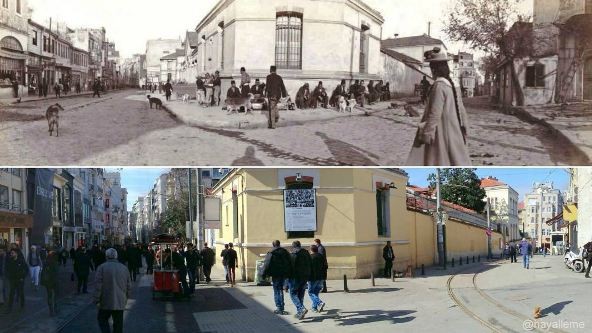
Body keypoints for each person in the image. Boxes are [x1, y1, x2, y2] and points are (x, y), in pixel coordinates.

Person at [406, 47, 470, 166]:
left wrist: (427, 133)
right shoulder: (453, 85)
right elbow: (461, 109)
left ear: (435, 69)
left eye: (432, 68)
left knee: (438, 160)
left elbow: (434, 113)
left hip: (441, 132)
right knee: (455, 160)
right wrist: (464, 127)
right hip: (454, 129)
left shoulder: (439, 85)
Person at [94, 248, 131, 333]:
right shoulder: (124, 268)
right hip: (120, 300)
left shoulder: (102, 267)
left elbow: (98, 286)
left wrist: (96, 299)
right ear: (116, 256)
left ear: (106, 256)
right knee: (118, 323)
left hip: (105, 300)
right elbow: (129, 285)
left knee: (102, 319)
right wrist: (127, 297)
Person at [262, 240, 292, 315]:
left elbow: (266, 264)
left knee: (277, 290)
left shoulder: (271, 253)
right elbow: (290, 262)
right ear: (279, 244)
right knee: (281, 290)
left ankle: (279, 307)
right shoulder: (285, 252)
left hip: (275, 274)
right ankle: (281, 307)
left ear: (273, 245)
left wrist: (263, 274)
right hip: (284, 274)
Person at [289, 240, 312, 320]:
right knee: (301, 294)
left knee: (293, 293)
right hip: (305, 276)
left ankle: (301, 308)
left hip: (295, 277)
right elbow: (310, 263)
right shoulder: (306, 253)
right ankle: (300, 312)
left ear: (293, 246)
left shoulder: (293, 254)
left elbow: (291, 267)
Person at [3, 248, 27, 314]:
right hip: (13, 279)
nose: (11, 254)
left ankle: (22, 303)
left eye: (13, 253)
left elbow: (26, 269)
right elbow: (6, 269)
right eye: (11, 253)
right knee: (12, 293)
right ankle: (9, 307)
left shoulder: (21, 261)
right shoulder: (10, 261)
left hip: (20, 280)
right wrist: (8, 276)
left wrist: (23, 277)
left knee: (21, 292)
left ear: (16, 253)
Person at [41, 247, 59, 316]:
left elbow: (44, 271)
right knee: (55, 295)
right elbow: (56, 270)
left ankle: (51, 310)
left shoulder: (47, 259)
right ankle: (55, 308)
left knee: (50, 295)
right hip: (53, 279)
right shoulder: (54, 258)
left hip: (48, 280)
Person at [308, 245, 326, 313]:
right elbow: (325, 266)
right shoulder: (321, 256)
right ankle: (314, 308)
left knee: (310, 292)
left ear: (311, 250)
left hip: (313, 277)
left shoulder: (310, 257)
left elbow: (308, 268)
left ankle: (319, 303)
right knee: (316, 293)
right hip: (320, 277)